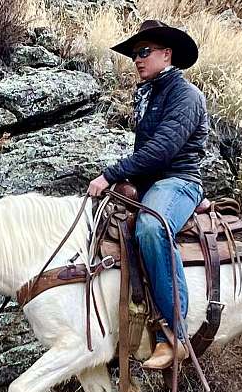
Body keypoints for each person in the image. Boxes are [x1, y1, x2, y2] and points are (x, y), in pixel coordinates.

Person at [87, 19, 209, 370]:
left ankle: (174, 333)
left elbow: (163, 150)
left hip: (178, 180)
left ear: (166, 54)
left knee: (150, 228)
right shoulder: (149, 94)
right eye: (134, 55)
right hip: (152, 183)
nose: (137, 60)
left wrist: (111, 173)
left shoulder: (185, 95)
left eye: (144, 52)